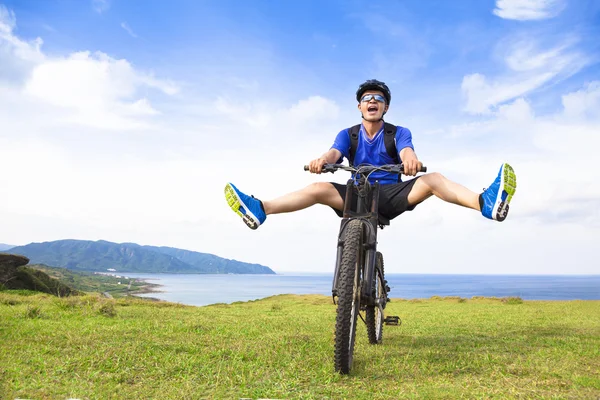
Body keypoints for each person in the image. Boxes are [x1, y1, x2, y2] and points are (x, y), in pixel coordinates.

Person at [224, 79, 517, 230]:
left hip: (391, 195)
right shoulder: (348, 134)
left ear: (385, 107)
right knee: (317, 188)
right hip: (356, 192)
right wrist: (321, 162)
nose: (373, 101)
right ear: (360, 107)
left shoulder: (398, 132)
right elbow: (334, 153)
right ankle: (261, 208)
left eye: (379, 99)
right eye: (367, 99)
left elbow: (406, 150)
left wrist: (410, 160)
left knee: (434, 179)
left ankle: (486, 203)